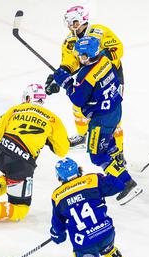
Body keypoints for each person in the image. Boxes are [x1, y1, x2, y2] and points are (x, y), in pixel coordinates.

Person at [0, 84, 69, 229]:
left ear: (27, 98)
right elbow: (62, 150)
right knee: (20, 209)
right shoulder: (53, 119)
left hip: (0, 154)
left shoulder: (15, 109)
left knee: (12, 176)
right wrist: (49, 141)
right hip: (21, 162)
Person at [53, 36, 142, 205]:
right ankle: (119, 171)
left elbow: (78, 99)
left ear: (87, 55)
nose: (79, 58)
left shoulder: (87, 74)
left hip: (101, 120)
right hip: (115, 110)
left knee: (97, 155)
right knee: (109, 146)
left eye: (81, 55)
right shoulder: (105, 59)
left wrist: (66, 82)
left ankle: (127, 183)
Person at [45, 6, 125, 150]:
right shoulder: (69, 41)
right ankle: (82, 136)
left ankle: (118, 149)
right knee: (78, 106)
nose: (71, 26)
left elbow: (118, 49)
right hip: (89, 77)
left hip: (110, 75)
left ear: (83, 20)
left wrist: (99, 58)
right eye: (68, 23)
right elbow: (70, 64)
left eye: (74, 22)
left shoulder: (100, 32)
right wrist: (59, 76)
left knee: (112, 110)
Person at [50, 157, 133, 257]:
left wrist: (57, 235)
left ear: (59, 177)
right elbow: (118, 185)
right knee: (108, 248)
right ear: (78, 170)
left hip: (85, 243)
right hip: (106, 232)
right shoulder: (93, 179)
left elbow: (58, 226)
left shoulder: (57, 196)